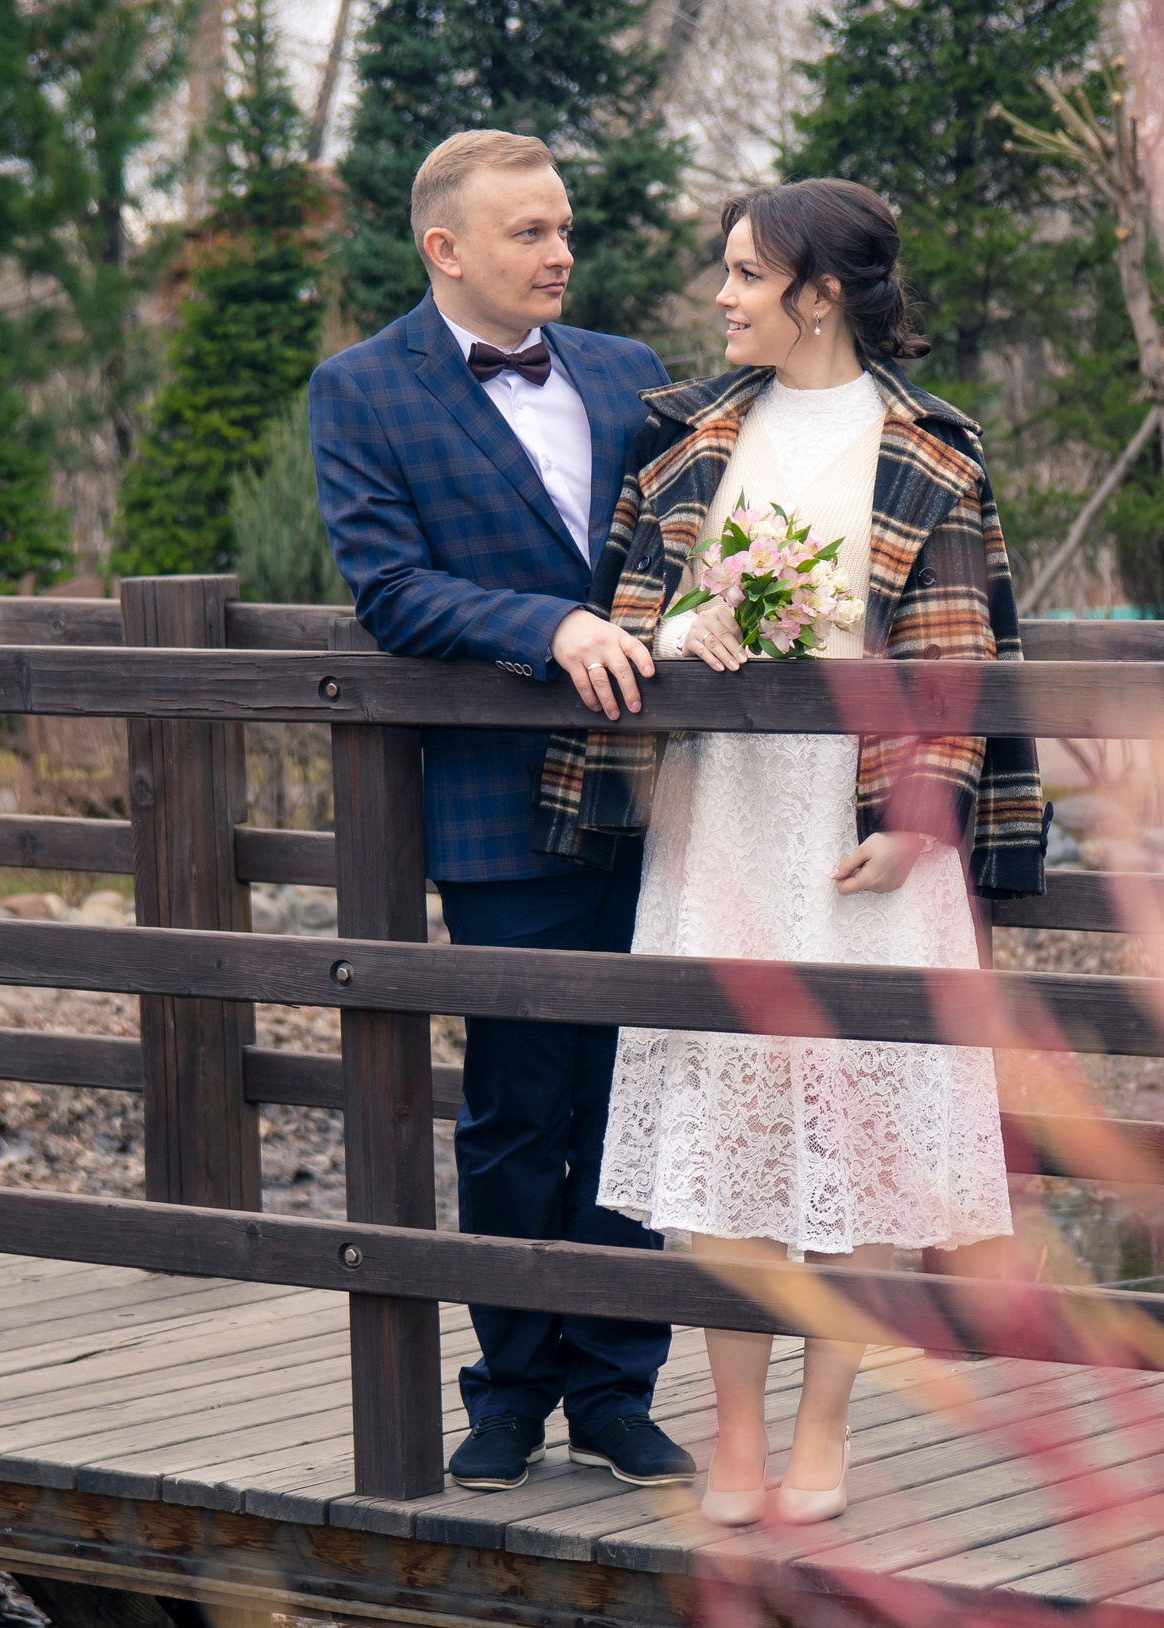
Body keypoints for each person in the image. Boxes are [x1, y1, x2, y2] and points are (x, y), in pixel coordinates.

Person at [533, 178, 1047, 1525]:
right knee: (729, 1117)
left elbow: (957, 652)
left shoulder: (930, 448)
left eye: (747, 276)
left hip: (858, 828)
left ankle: (826, 1428)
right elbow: (628, 607)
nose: (721, 297)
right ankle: (737, 1434)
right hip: (721, 817)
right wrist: (677, 630)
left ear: (818, 295)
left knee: (862, 1125)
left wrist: (914, 817)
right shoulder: (685, 433)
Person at [308, 131, 693, 1494]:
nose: (560, 252)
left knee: (635, 1088)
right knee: (520, 1105)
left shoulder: (630, 371)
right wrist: (553, 627)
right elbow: (391, 589)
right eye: (530, 231)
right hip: (496, 806)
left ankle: (618, 1393)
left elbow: (683, 545)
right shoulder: (362, 390)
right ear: (446, 248)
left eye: (564, 227)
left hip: (650, 789)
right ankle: (512, 1391)